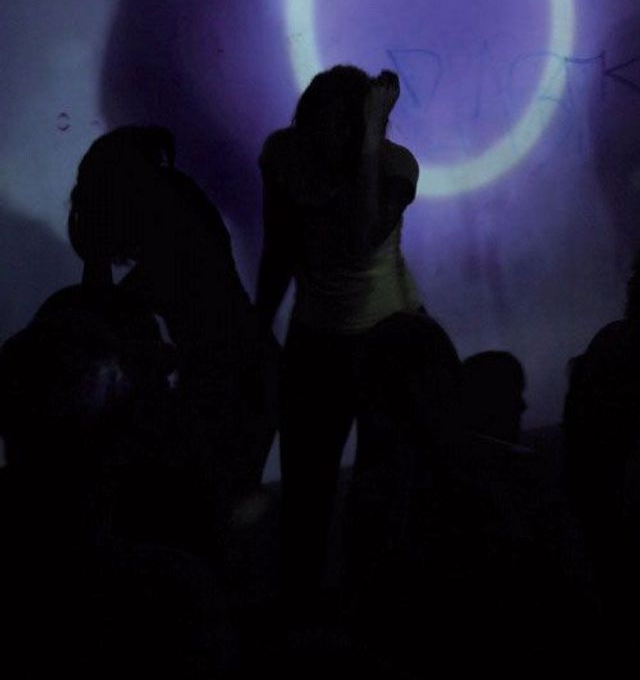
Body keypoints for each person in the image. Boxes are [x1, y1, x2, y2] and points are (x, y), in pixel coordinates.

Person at [256, 64, 423, 609]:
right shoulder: (284, 157)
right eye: (322, 120)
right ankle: (305, 610)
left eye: (344, 121)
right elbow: (279, 246)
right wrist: (258, 328)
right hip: (321, 340)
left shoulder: (395, 166)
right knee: (308, 488)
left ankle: (368, 610)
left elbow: (361, 235)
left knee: (377, 490)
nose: (332, 133)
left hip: (387, 343)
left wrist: (372, 142)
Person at [67, 125, 278, 518]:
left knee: (214, 511)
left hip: (234, 380)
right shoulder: (176, 200)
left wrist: (97, 254)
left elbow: (107, 309)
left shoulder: (169, 215)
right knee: (223, 510)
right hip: (245, 372)